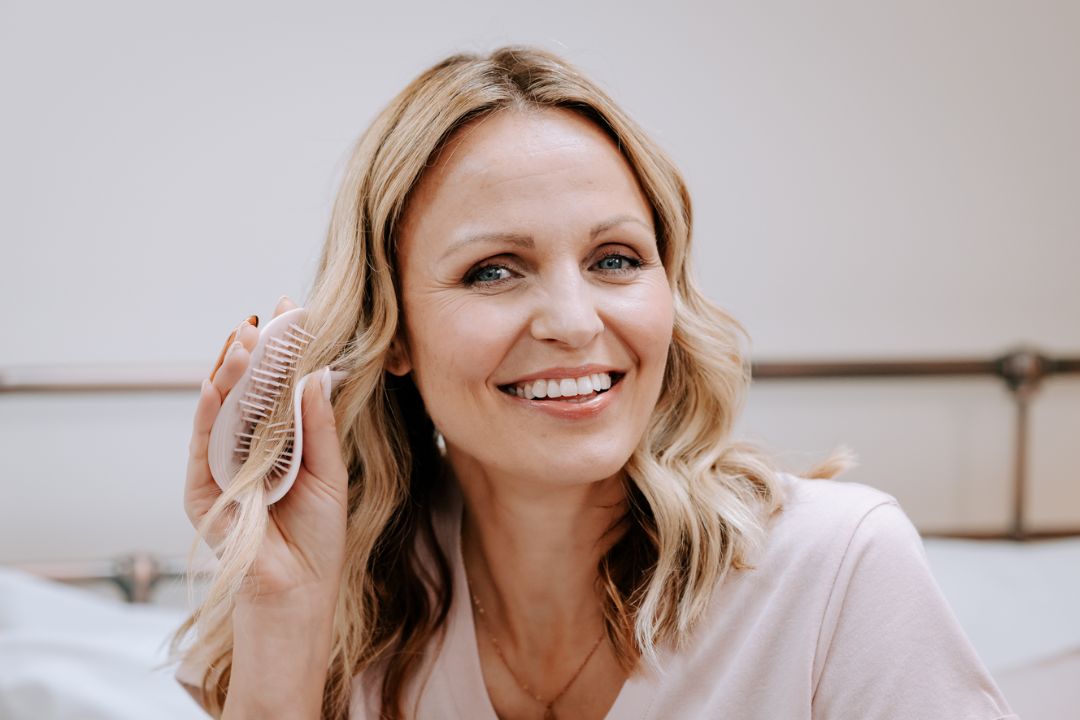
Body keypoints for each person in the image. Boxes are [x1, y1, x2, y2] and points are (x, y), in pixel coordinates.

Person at [173, 47, 1017, 720]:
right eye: (494, 271)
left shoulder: (834, 573)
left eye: (616, 259)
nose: (573, 322)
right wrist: (279, 617)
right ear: (391, 330)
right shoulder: (346, 624)